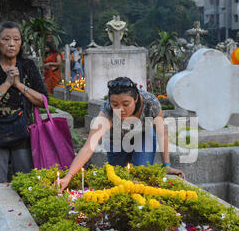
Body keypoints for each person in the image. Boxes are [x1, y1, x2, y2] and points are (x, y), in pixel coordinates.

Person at [57, 76, 185, 192]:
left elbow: (162, 134)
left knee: (141, 176)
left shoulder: (150, 103)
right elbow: (89, 146)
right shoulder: (107, 112)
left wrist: (166, 165)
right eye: (115, 104)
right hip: (116, 140)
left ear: (136, 98)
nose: (120, 109)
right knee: (117, 180)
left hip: (143, 136)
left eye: (126, 104)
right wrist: (68, 177)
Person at [0, 21, 48, 187]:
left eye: (16, 39)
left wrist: (18, 84)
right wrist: (7, 82)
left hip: (24, 131)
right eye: (6, 39)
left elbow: (43, 101)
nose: (11, 44)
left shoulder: (27, 66)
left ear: (21, 42)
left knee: (28, 184)